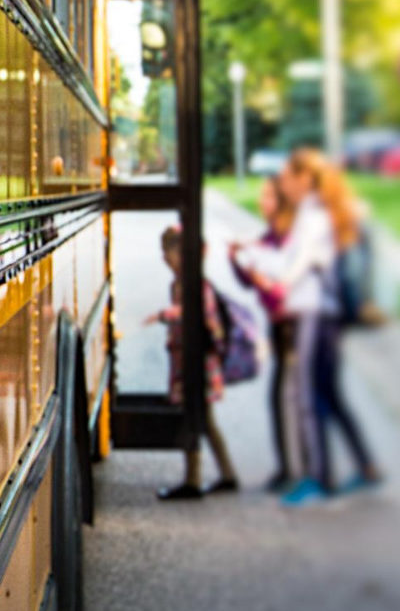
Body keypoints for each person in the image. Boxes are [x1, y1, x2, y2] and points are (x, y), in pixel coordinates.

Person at [246, 149, 380, 505]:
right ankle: (366, 466)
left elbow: (301, 261)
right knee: (328, 393)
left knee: (308, 395)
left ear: (305, 178)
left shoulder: (315, 213)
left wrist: (280, 281)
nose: (284, 184)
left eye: (288, 176)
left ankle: (318, 478)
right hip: (323, 313)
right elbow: (294, 260)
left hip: (315, 314)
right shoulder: (317, 210)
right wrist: (253, 254)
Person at [145, 226, 238, 500]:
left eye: (169, 252)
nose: (165, 258)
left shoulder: (194, 284)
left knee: (193, 419)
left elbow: (197, 314)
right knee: (205, 422)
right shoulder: (181, 282)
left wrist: (164, 314)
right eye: (163, 252)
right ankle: (227, 474)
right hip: (188, 361)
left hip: (196, 364)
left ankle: (193, 480)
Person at [229, 176, 297, 491]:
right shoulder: (270, 237)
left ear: (281, 201)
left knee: (299, 398)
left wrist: (260, 276)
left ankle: (297, 471)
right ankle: (291, 469)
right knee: (290, 398)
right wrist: (237, 263)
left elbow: (278, 285)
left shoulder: (287, 238)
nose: (261, 201)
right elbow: (250, 283)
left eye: (268, 196)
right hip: (280, 324)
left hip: (295, 325)